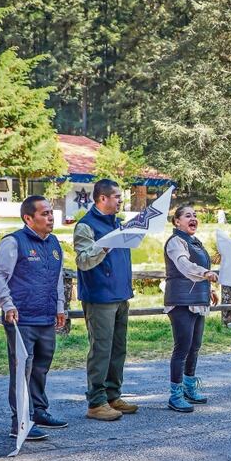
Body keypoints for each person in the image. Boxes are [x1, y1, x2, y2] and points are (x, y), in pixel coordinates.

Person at [0, 196, 68, 442]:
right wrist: (7, 304)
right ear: (28, 218)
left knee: (41, 367)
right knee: (22, 369)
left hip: (46, 317)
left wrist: (60, 307)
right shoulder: (13, 242)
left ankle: (39, 411)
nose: (51, 217)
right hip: (21, 318)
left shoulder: (54, 243)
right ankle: (20, 422)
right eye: (44, 213)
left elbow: (57, 279)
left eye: (51, 213)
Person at [74, 179, 135, 421]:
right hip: (99, 296)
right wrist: (106, 245)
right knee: (101, 349)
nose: (121, 200)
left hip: (120, 294)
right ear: (102, 198)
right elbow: (83, 261)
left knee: (118, 348)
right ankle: (96, 401)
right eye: (117, 196)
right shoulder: (86, 226)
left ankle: (112, 395)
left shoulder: (117, 224)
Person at [164, 204, 219, 412]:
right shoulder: (175, 242)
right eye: (188, 216)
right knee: (182, 348)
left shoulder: (195, 242)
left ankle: (188, 387)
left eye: (195, 215)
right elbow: (184, 266)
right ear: (177, 221)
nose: (193, 218)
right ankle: (175, 395)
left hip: (197, 299)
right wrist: (205, 273)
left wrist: (209, 288)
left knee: (195, 346)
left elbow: (200, 269)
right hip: (181, 301)